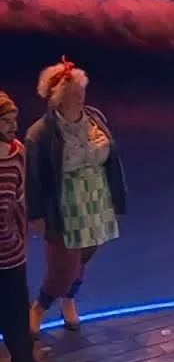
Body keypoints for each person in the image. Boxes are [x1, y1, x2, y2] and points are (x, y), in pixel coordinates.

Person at [25, 57, 126, 337]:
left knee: (83, 257)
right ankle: (39, 307)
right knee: (63, 268)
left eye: (82, 90)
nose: (81, 96)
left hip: (95, 200)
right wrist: (36, 215)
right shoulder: (41, 134)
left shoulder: (95, 118)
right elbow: (34, 178)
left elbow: (110, 157)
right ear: (58, 98)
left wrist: (115, 195)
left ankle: (69, 299)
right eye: (73, 93)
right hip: (65, 207)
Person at [0, 90, 61, 362]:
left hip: (10, 251)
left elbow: (19, 199)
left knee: (16, 313)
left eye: (14, 119)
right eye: (6, 120)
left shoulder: (17, 152)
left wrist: (21, 238)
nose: (13, 125)